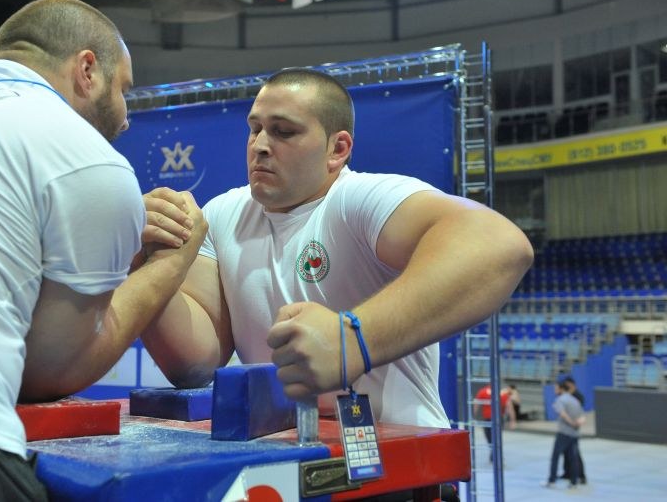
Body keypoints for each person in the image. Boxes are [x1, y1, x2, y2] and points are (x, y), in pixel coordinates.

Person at [0, 0, 204, 500]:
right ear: (87, 69)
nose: (128, 117)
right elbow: (50, 372)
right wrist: (171, 263)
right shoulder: (88, 157)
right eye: (123, 90)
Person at [140, 67, 534, 430]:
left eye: (283, 131)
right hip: (287, 455)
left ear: (337, 149)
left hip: (398, 462)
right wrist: (144, 261)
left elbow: (501, 244)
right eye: (254, 128)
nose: (259, 144)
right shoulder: (223, 213)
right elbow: (195, 365)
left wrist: (352, 340)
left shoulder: (359, 199)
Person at [543, 381, 585, 489]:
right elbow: (582, 417)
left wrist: (571, 423)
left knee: (555, 456)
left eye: (556, 388)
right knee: (573, 458)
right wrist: (577, 424)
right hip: (574, 434)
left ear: (561, 389)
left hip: (564, 433)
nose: (554, 391)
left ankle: (551, 480)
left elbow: (562, 413)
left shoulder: (560, 400)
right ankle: (574, 482)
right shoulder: (575, 400)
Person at [473, 384, 517, 462]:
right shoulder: (502, 393)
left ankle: (494, 454)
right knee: (496, 438)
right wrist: (512, 421)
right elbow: (510, 407)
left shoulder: (483, 392)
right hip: (498, 419)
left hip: (488, 419)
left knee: (490, 438)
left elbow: (476, 405)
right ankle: (495, 454)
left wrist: (473, 416)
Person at [559, 376, 587, 484]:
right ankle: (567, 473)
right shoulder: (565, 395)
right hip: (565, 428)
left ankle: (581, 475)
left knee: (575, 453)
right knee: (566, 452)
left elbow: (577, 412)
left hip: (573, 428)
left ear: (571, 384)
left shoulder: (578, 396)